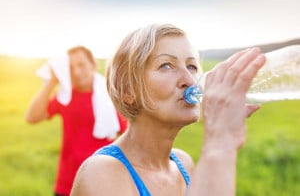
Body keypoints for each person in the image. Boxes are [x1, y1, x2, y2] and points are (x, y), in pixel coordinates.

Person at [70, 24, 266, 196]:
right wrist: (219, 143)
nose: (189, 80)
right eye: (166, 66)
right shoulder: (103, 173)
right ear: (128, 90)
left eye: (191, 66)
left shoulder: (183, 164)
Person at [25, 46, 127, 196]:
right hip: (67, 182)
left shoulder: (111, 96)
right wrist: (52, 82)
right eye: (71, 68)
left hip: (102, 181)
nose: (76, 72)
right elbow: (32, 117)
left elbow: (128, 135)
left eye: (81, 65)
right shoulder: (65, 96)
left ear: (93, 64)